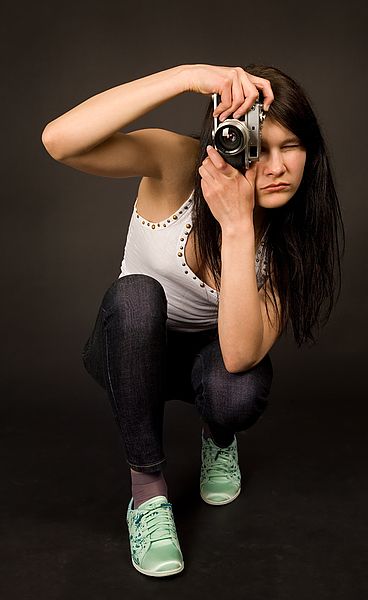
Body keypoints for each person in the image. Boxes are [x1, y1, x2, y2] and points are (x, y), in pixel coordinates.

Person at [41, 63, 344, 578]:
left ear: (309, 153)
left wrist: (237, 223)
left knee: (237, 391)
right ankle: (147, 496)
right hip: (130, 348)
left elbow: (240, 356)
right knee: (138, 295)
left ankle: (219, 438)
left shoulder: (293, 239)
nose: (274, 166)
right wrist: (186, 76)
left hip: (211, 358)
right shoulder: (181, 161)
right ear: (225, 141)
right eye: (256, 145)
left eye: (289, 146)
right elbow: (59, 141)